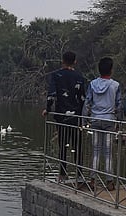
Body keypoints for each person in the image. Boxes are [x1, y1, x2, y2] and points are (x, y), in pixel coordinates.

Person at [43, 51, 87, 184]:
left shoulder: (57, 75)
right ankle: (79, 174)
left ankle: (62, 174)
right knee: (77, 144)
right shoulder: (79, 76)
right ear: (75, 61)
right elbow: (82, 97)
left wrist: (48, 109)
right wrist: (83, 114)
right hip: (76, 116)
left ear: (62, 61)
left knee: (63, 144)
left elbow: (52, 95)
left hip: (61, 115)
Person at [84, 56, 123, 190]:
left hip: (95, 119)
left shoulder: (92, 84)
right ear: (111, 70)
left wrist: (84, 120)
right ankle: (110, 181)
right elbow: (119, 105)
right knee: (108, 152)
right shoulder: (115, 85)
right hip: (109, 120)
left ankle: (93, 179)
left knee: (95, 151)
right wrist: (119, 121)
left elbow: (87, 103)